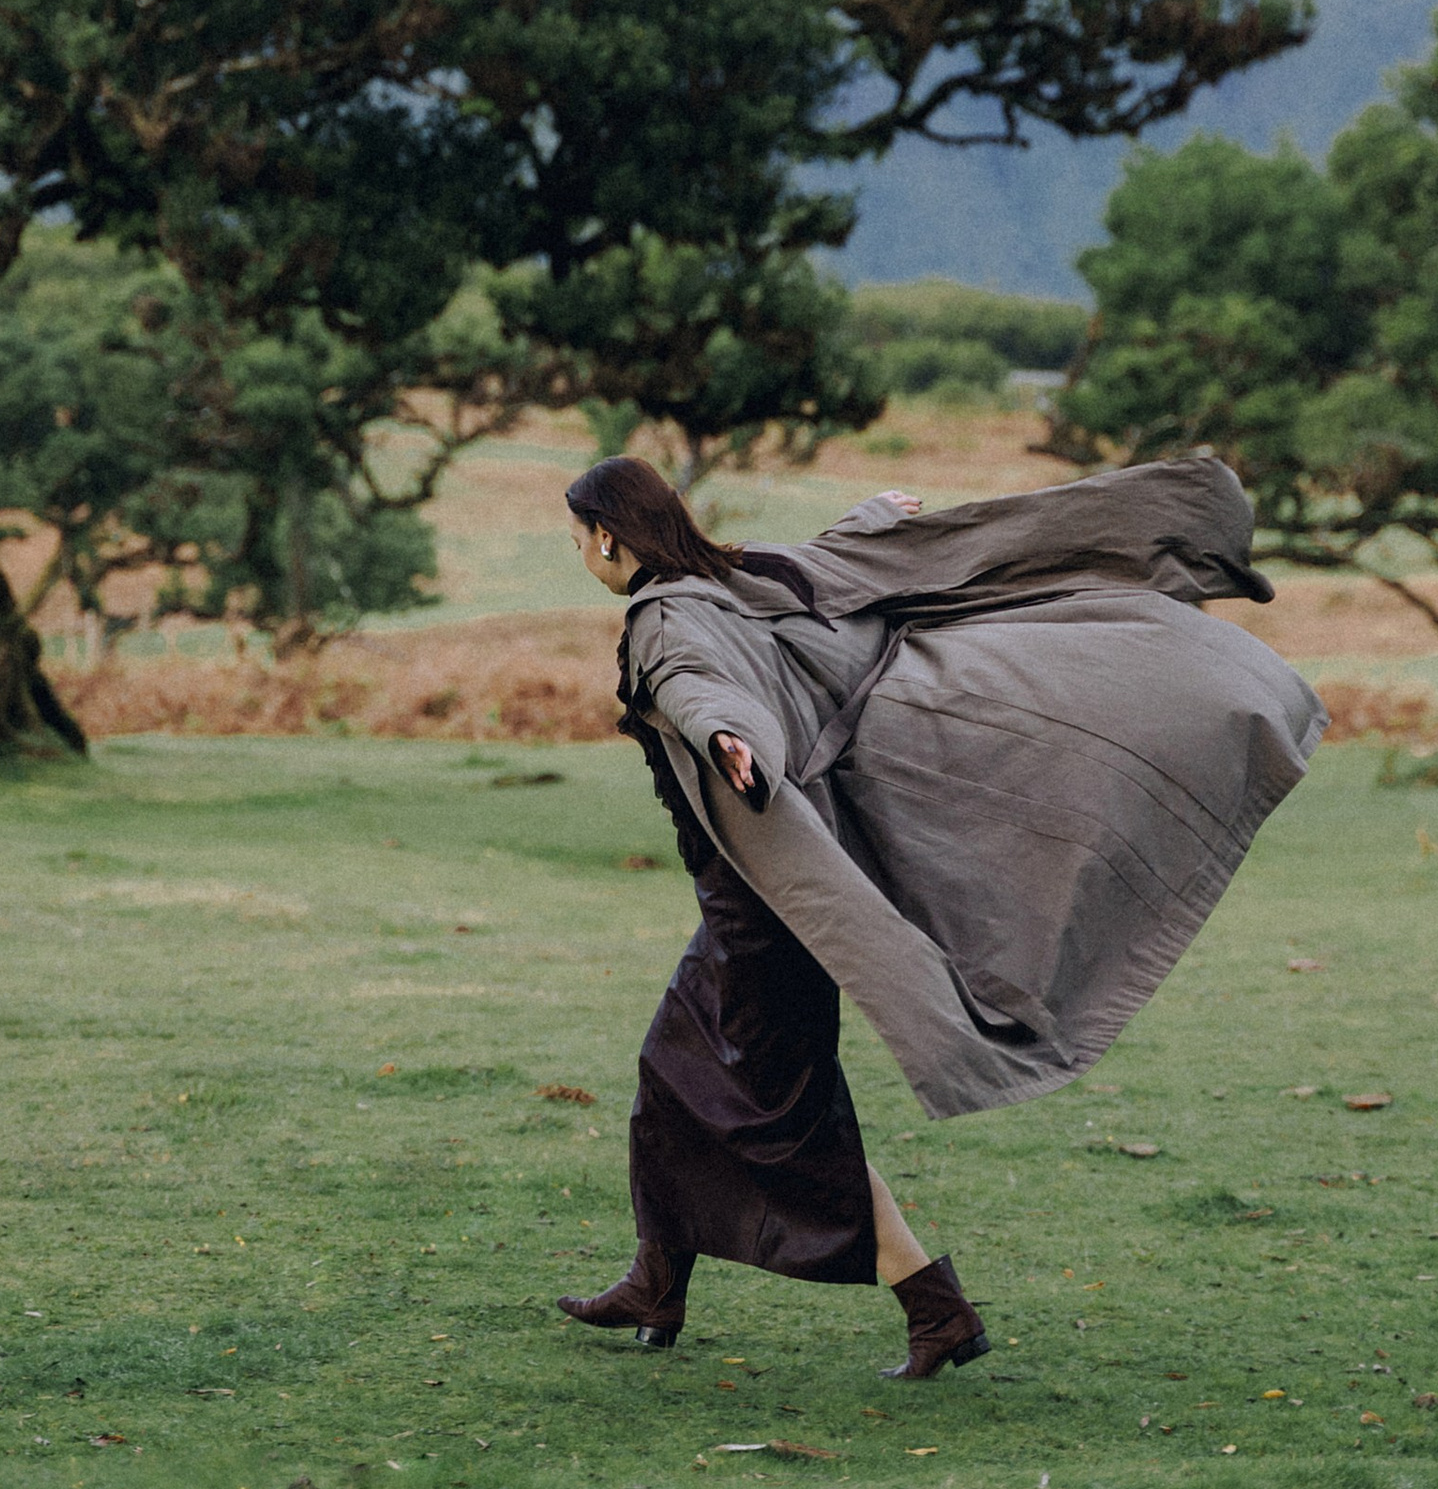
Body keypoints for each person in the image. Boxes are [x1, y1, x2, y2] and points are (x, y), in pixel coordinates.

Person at [555, 448, 1323, 1382]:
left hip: (762, 913)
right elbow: (832, 563)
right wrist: (875, 512)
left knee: (785, 1119)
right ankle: (656, 1281)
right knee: (674, 1077)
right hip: (746, 905)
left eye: (577, 536)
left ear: (605, 535)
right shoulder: (739, 574)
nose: (579, 552)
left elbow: (694, 683)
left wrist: (728, 736)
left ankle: (934, 1306)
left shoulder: (662, 615)